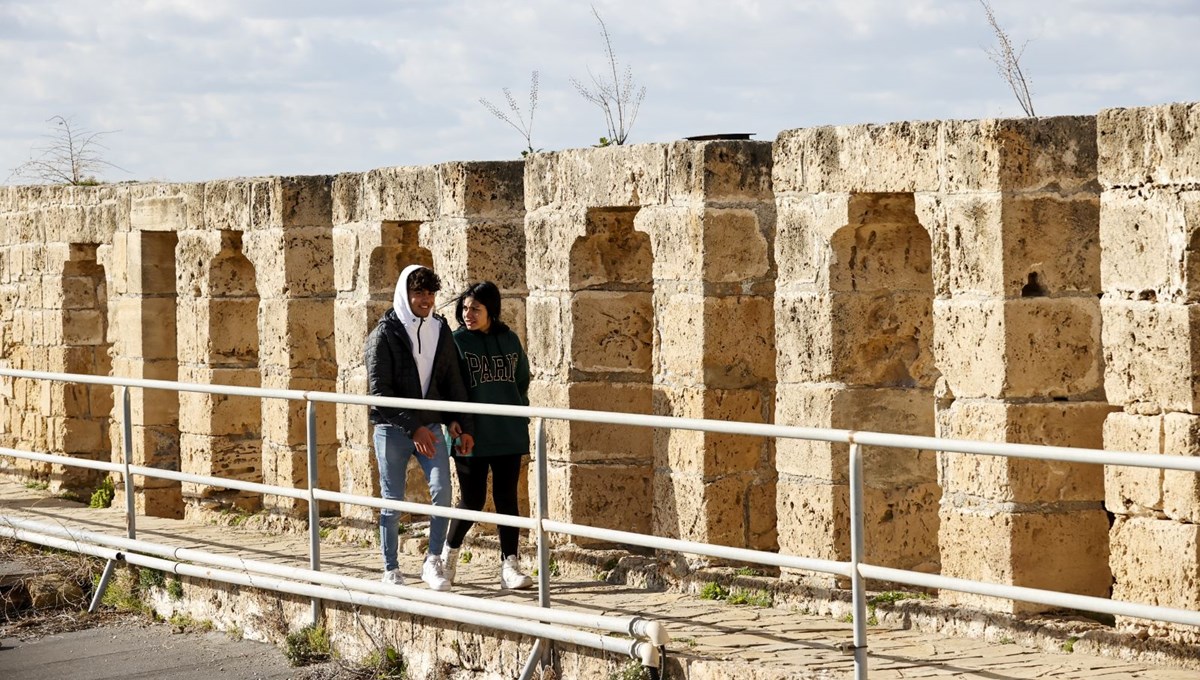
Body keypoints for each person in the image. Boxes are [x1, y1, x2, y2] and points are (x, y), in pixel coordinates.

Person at [365, 264, 475, 591]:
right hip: (393, 428)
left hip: (430, 425)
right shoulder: (384, 334)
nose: (425, 299)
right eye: (418, 292)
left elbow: (451, 380)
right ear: (405, 294)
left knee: (443, 491)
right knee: (394, 499)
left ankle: (432, 561)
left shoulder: (439, 329)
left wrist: (459, 422)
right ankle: (391, 567)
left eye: (430, 293)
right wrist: (414, 429)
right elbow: (379, 392)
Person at [443, 281, 534, 590]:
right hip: (470, 433)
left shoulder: (509, 340)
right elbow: (447, 386)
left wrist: (516, 409)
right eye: (465, 308)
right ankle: (448, 557)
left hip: (507, 431)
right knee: (472, 499)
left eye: (476, 309)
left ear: (491, 311)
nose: (468, 314)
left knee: (507, 499)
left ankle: (510, 564)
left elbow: (522, 379)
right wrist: (452, 420)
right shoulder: (455, 342)